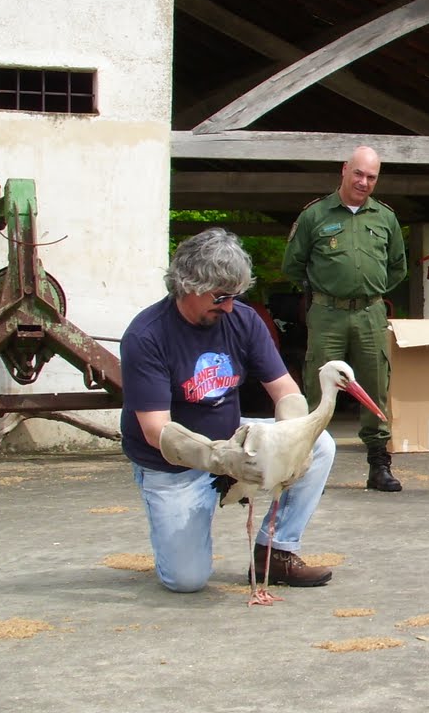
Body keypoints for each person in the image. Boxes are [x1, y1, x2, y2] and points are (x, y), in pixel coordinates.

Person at [120, 229, 335, 593]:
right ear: (188, 285)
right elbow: (157, 431)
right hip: (174, 466)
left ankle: (276, 552)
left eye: (235, 296)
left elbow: (284, 390)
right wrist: (222, 460)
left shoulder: (242, 320)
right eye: (221, 297)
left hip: (232, 438)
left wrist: (293, 439)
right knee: (186, 581)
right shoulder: (147, 336)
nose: (230, 307)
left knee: (319, 442)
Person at [282, 145, 406, 493]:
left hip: (370, 314)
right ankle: (307, 467)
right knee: (317, 388)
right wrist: (327, 289)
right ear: (344, 170)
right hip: (327, 314)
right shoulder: (315, 215)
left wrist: (369, 290)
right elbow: (292, 265)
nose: (364, 182)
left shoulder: (385, 218)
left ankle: (379, 465)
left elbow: (397, 266)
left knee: (375, 386)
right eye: (358, 174)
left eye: (371, 177)